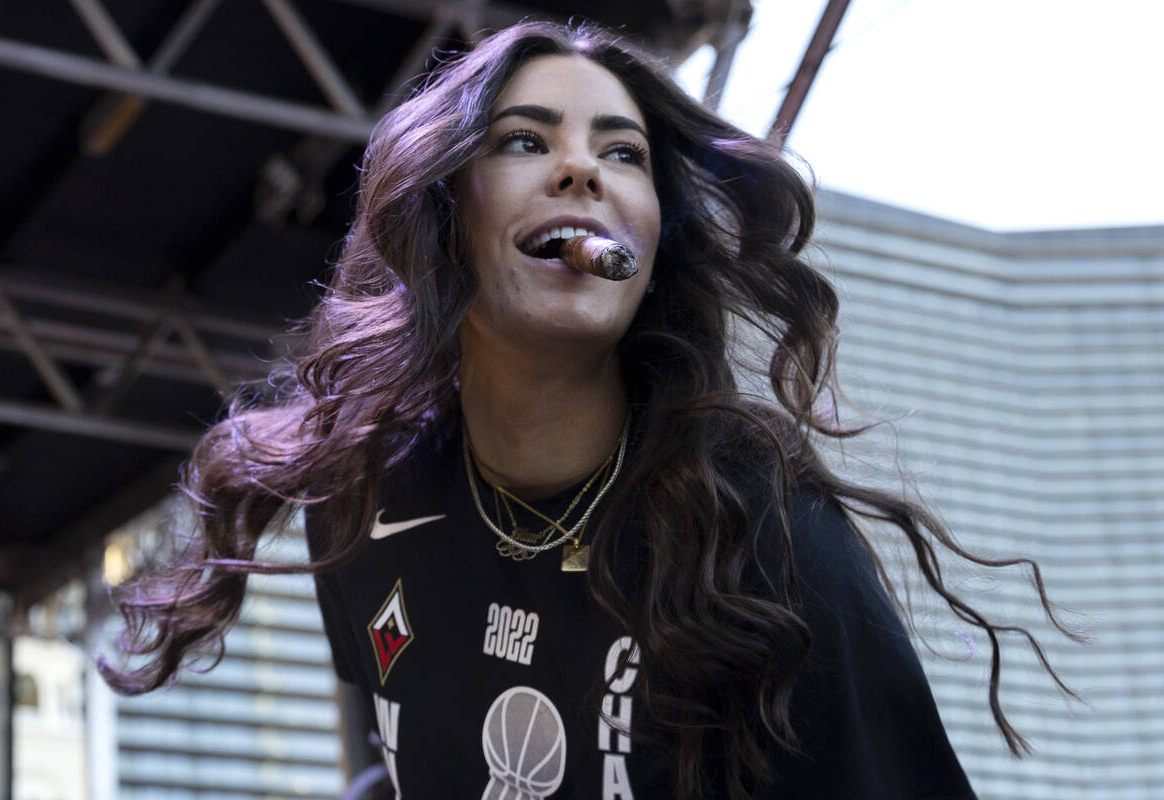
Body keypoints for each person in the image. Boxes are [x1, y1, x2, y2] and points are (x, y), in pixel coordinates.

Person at [101, 20, 1078, 799]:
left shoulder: (766, 534)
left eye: (623, 152)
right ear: (449, 210)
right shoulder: (361, 505)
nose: (583, 169)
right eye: (525, 140)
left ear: (651, 243)